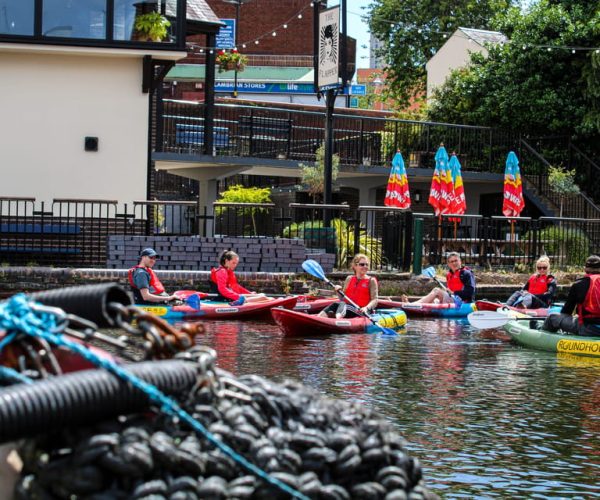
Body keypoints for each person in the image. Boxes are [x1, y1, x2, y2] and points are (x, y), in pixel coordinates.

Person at [543, 255, 600, 337]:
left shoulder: (579, 284)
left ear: (585, 269)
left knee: (552, 317)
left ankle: (541, 333)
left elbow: (566, 311)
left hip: (588, 329)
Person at [402, 252, 476, 306]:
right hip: (452, 299)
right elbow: (450, 290)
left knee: (436, 290)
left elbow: (470, 292)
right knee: (434, 300)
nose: (454, 263)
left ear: (460, 261)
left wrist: (453, 293)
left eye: (456, 261)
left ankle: (412, 305)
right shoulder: (449, 275)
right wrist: (447, 291)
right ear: (449, 264)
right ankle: (413, 305)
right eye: (452, 261)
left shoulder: (466, 274)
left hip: (462, 302)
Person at [318, 254, 378, 319]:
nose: (365, 266)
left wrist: (366, 308)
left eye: (367, 264)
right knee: (335, 304)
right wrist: (338, 291)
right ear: (355, 266)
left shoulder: (371, 280)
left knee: (343, 305)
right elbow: (343, 298)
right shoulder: (349, 278)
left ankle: (337, 319)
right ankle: (318, 318)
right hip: (347, 308)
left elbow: (375, 300)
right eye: (362, 264)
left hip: (361, 310)